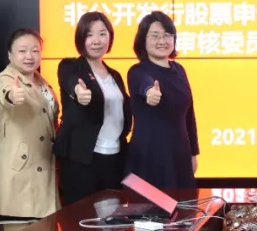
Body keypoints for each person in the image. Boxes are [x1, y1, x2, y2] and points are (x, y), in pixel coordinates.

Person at [55, 11, 132, 206]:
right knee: (81, 217)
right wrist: (78, 92)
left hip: (114, 157)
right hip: (82, 159)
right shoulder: (71, 66)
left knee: (112, 217)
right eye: (89, 35)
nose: (96, 40)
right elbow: (71, 81)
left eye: (102, 34)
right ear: (81, 38)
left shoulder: (115, 75)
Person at [0, 29, 60, 229]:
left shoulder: (40, 80)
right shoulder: (6, 78)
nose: (29, 56)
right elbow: (6, 93)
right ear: (10, 54)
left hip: (43, 171)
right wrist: (12, 96)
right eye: (22, 51)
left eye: (35, 51)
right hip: (20, 173)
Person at [125, 11, 199, 189]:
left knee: (184, 204)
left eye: (167, 35)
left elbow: (189, 115)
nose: (162, 41)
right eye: (155, 35)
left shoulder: (179, 70)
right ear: (143, 40)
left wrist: (193, 153)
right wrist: (150, 92)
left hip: (180, 154)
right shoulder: (137, 71)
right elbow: (145, 84)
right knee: (150, 206)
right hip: (150, 155)